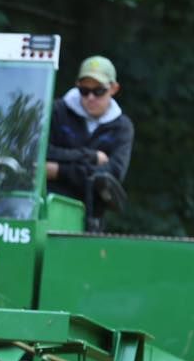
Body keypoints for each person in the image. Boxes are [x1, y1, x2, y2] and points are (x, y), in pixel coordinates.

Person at [46, 55, 134, 230]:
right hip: (50, 208)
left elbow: (110, 176)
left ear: (114, 88)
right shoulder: (56, 111)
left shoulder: (122, 127)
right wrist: (90, 156)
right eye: (84, 91)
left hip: (93, 218)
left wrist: (58, 171)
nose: (91, 97)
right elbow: (41, 151)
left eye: (99, 91)